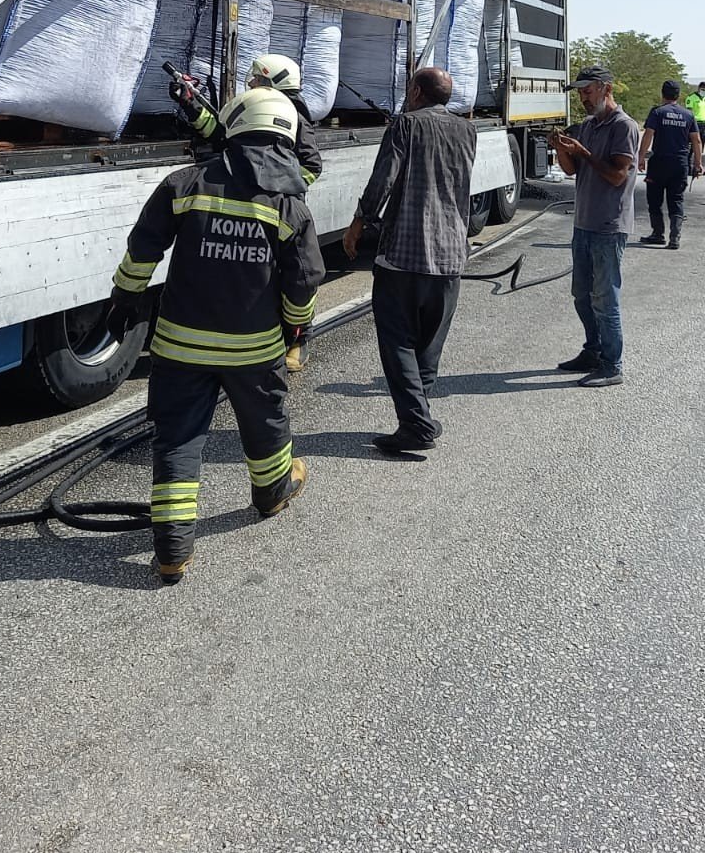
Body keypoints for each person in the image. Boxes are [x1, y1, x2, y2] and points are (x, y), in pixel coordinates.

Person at [106, 87, 325, 586]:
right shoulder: (288, 203)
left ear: (235, 125)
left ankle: (172, 552)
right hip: (254, 350)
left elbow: (144, 247)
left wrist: (125, 298)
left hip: (180, 346)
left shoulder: (185, 183)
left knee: (178, 440)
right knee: (265, 423)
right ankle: (271, 494)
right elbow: (305, 277)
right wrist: (296, 324)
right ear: (286, 135)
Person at [342, 66, 477, 454]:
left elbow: (383, 178)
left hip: (404, 252)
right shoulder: (468, 131)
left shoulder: (405, 125)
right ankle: (418, 416)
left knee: (397, 340)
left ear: (416, 91)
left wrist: (359, 223)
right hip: (451, 254)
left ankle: (416, 424)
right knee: (429, 343)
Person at [553, 65, 639, 388]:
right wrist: (563, 149)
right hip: (584, 223)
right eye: (579, 92)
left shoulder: (624, 127)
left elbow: (618, 175)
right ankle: (593, 349)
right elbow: (571, 170)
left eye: (587, 91)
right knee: (581, 295)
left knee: (605, 298)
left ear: (606, 88)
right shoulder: (589, 125)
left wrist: (584, 152)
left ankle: (612, 364)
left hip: (608, 225)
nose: (582, 98)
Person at [169, 52, 322, 188]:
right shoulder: (254, 107)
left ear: (272, 82)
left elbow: (311, 168)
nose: (250, 83)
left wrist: (275, 185)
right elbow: (220, 135)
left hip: (271, 204)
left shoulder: (295, 118)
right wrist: (189, 103)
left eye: (257, 78)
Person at [639, 80, 703, 249]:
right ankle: (675, 238)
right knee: (676, 200)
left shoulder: (658, 112)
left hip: (659, 163)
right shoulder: (688, 115)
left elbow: (648, 135)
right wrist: (698, 164)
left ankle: (658, 234)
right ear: (678, 95)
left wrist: (640, 158)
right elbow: (696, 140)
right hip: (680, 164)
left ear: (663, 94)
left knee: (654, 200)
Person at [685, 81, 705, 149]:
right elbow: (689, 111)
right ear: (699, 88)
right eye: (703, 89)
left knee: (701, 143)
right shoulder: (691, 97)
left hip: (704, 123)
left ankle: (699, 158)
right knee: (693, 143)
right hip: (695, 123)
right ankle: (689, 158)